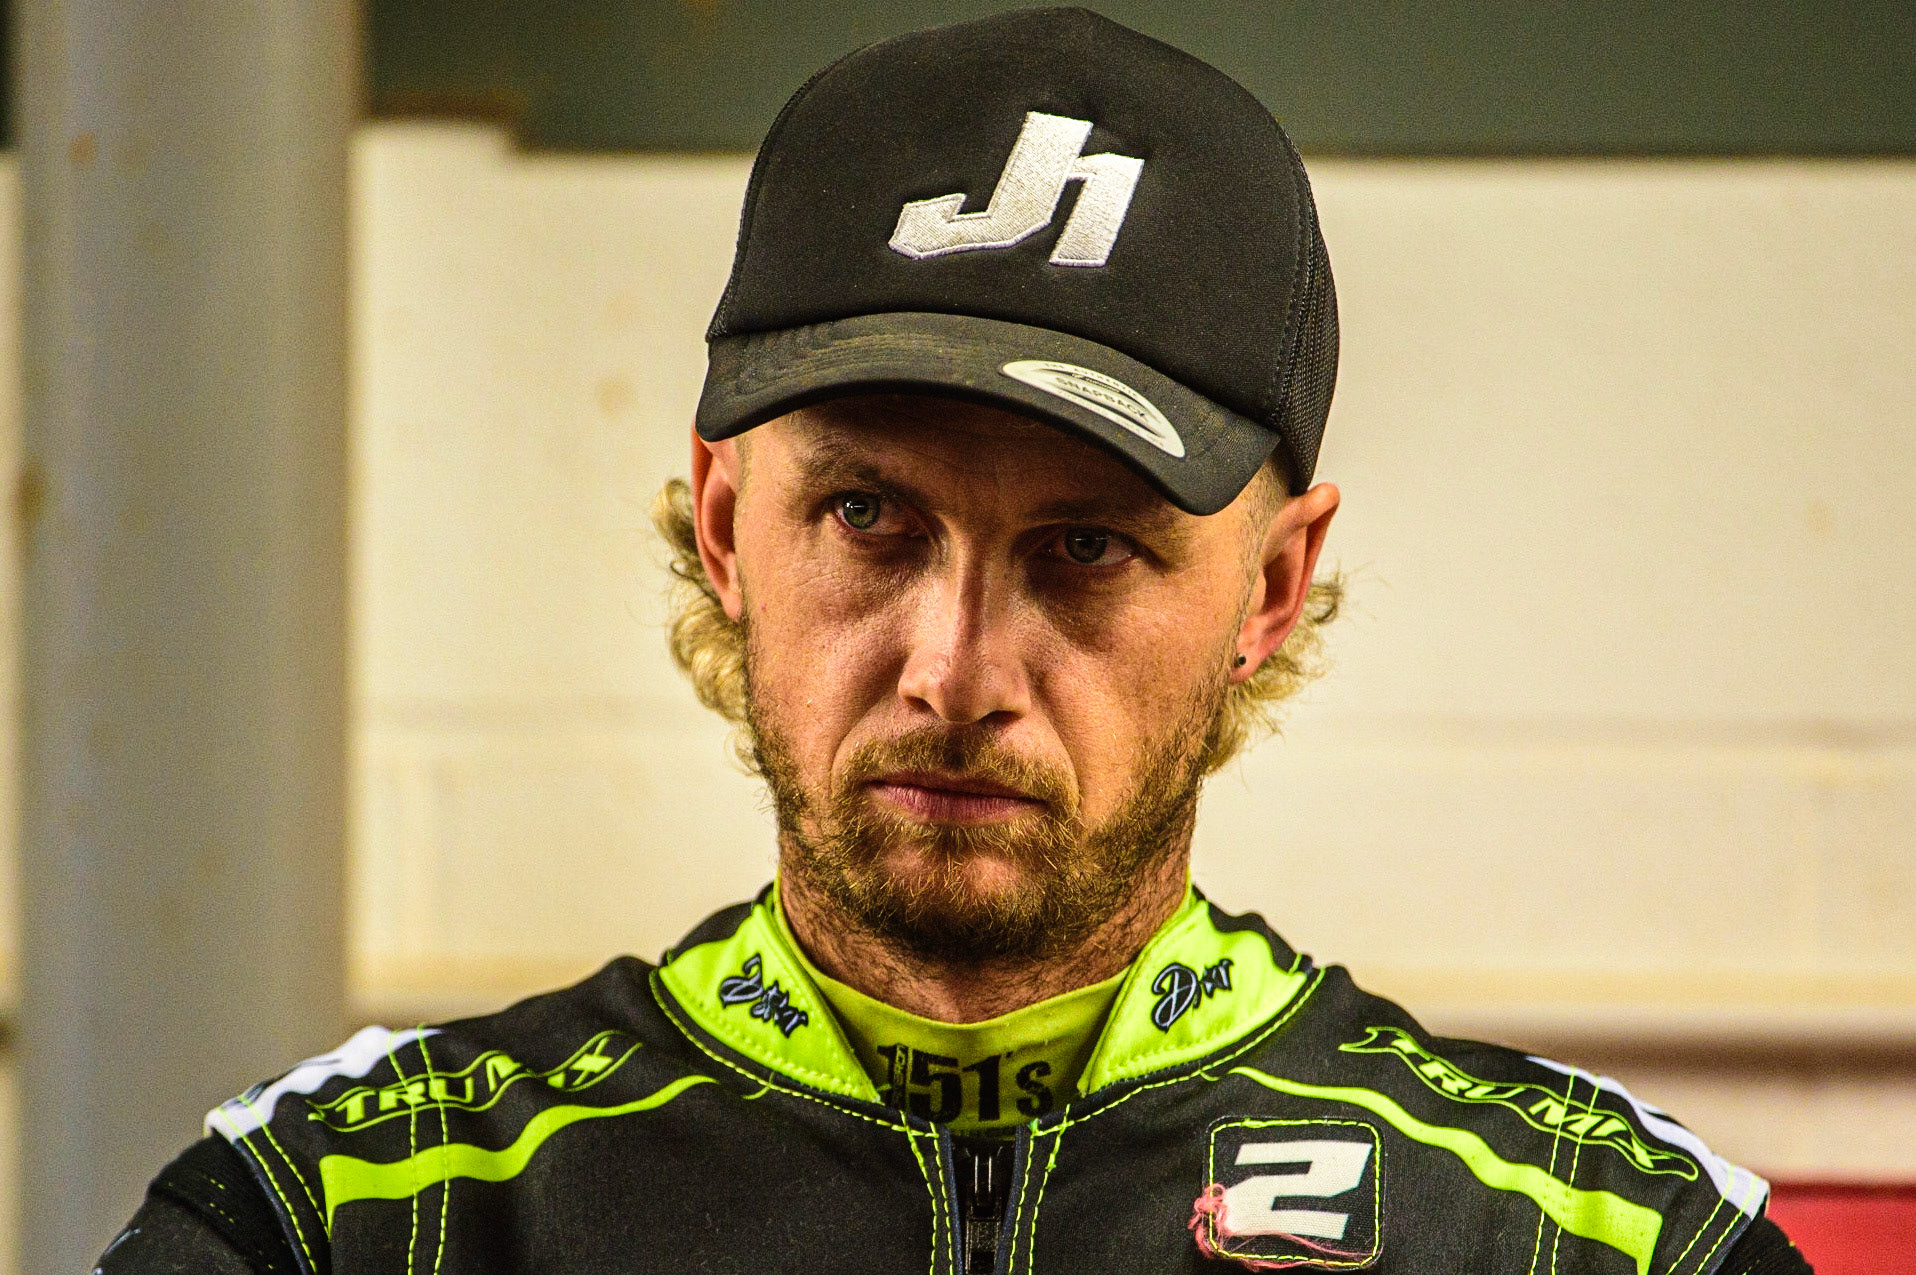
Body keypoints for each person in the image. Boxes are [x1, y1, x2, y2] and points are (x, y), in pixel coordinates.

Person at [100, 9, 1811, 1273]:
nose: (956, 670)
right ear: (722, 529)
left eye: (1084, 549)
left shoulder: (1590, 1238)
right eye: (868, 521)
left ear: (1270, 594)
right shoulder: (351, 1216)